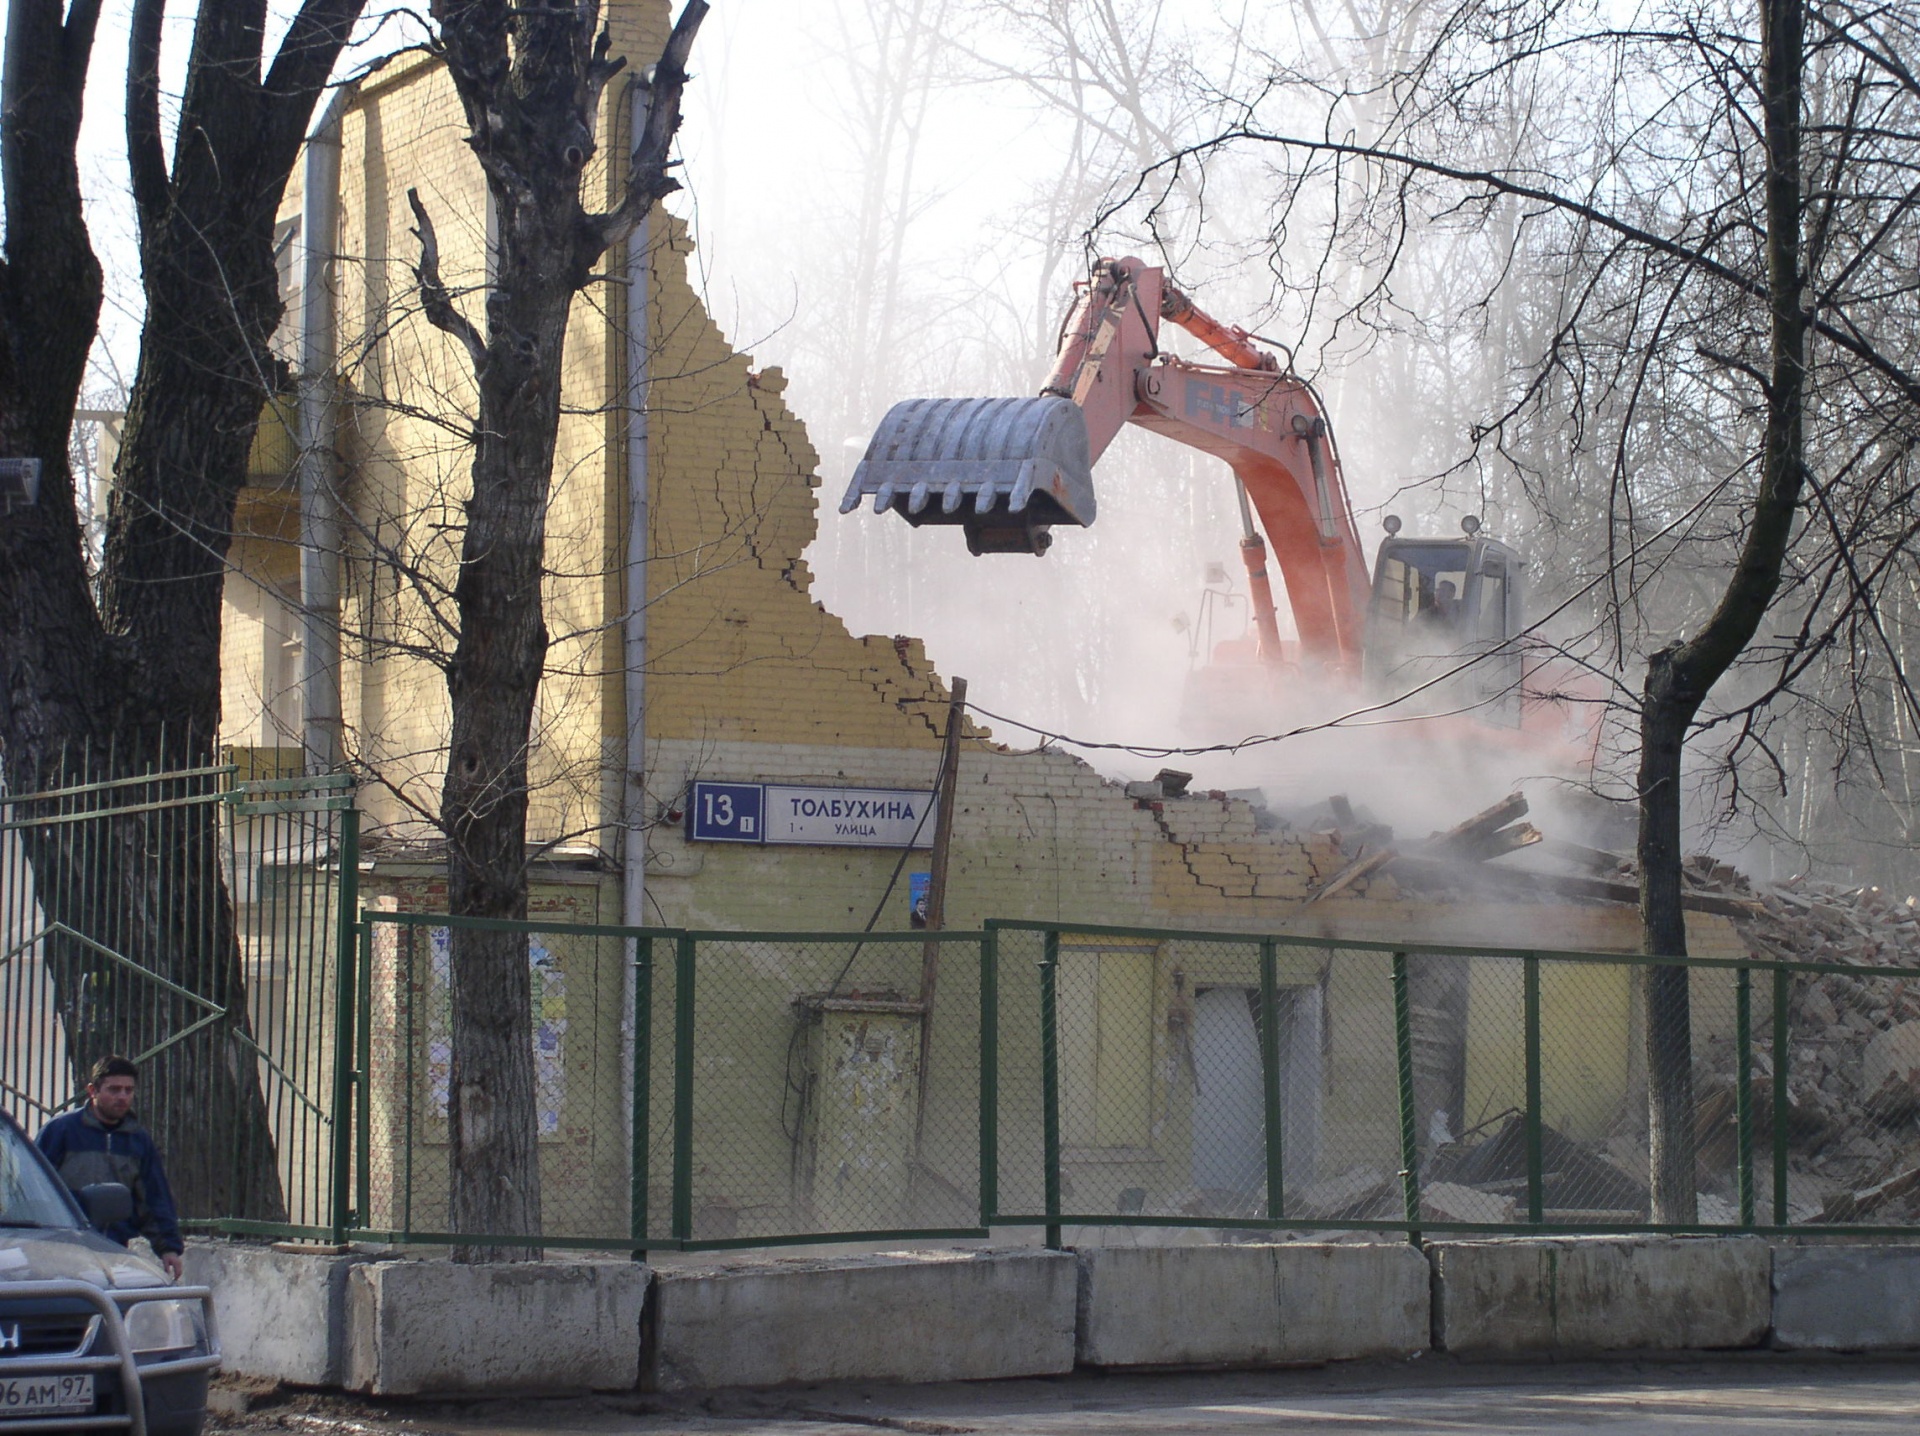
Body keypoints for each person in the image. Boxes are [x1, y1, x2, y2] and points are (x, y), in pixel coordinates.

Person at [36, 1055, 184, 1280]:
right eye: (114, 1090)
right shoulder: (61, 1131)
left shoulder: (138, 1140)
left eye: (128, 1090)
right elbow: (33, 1186)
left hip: (113, 1252)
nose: (123, 1097)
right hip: (60, 1251)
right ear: (92, 1090)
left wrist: (168, 1248)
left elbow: (154, 1198)